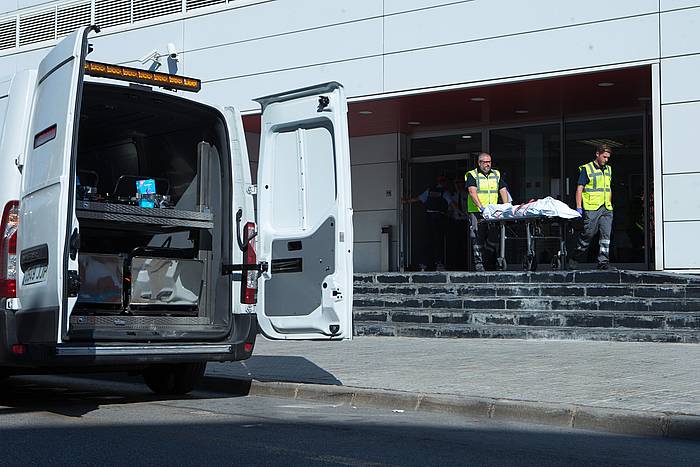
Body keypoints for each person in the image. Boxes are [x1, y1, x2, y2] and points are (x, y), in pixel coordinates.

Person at [403, 175, 463, 271]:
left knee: (427, 241)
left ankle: (423, 264)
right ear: (445, 182)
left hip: (428, 218)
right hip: (439, 219)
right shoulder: (444, 192)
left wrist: (406, 201)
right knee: (438, 241)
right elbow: (452, 203)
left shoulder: (430, 190)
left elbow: (418, 198)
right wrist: (462, 213)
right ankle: (439, 264)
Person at [570, 144, 613, 270]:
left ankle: (603, 262)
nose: (606, 160)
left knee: (606, 236)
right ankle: (576, 256)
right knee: (588, 234)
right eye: (604, 157)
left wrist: (609, 203)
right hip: (592, 207)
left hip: (606, 208)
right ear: (597, 154)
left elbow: (608, 188)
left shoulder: (608, 169)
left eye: (608, 157)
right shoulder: (587, 169)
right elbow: (579, 189)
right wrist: (579, 207)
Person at [465, 152, 509, 272]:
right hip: (477, 211)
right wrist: (481, 207)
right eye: (485, 162)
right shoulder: (472, 175)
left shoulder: (496, 174)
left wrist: (506, 206)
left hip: (493, 212)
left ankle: (486, 258)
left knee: (494, 237)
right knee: (477, 237)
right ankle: (479, 263)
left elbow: (503, 190)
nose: (487, 164)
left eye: (489, 162)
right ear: (479, 163)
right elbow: (472, 192)